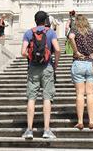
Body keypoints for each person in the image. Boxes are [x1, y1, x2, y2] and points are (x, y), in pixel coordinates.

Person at [21, 10, 60, 141]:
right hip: (47, 67)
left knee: (31, 98)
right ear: (45, 21)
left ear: (35, 20)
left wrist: (32, 57)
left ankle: (29, 130)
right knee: (47, 98)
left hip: (33, 68)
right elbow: (58, 49)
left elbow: (23, 52)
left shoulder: (28, 33)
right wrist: (55, 64)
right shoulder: (51, 32)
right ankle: (46, 130)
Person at [67, 14, 93, 131]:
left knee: (80, 94)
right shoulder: (92, 32)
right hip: (91, 64)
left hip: (79, 63)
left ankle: (80, 121)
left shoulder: (75, 30)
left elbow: (71, 37)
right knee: (90, 93)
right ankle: (91, 121)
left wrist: (76, 51)